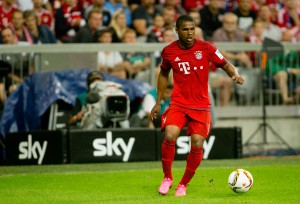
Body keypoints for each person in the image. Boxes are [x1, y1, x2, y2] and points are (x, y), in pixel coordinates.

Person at [150, 15, 244, 197]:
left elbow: (224, 63)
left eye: (192, 29)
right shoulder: (169, 51)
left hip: (200, 105)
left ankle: (183, 184)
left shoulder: (206, 48)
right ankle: (167, 178)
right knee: (170, 135)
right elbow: (163, 74)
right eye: (185, 29)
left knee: (198, 142)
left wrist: (235, 74)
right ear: (177, 31)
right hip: (178, 102)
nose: (190, 33)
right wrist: (158, 102)